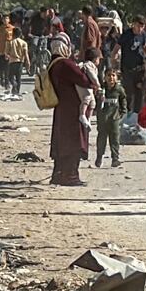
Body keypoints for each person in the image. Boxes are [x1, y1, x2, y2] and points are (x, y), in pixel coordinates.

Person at [49, 36, 94, 186]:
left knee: (61, 142)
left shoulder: (53, 64)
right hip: (73, 109)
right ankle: (70, 176)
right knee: (73, 143)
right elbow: (84, 81)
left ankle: (58, 174)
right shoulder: (66, 64)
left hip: (60, 108)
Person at [112, 15, 146, 114]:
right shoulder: (126, 34)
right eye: (138, 25)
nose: (140, 28)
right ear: (134, 24)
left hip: (140, 66)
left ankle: (137, 112)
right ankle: (127, 110)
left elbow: (144, 45)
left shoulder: (143, 34)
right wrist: (113, 58)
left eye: (142, 26)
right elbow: (117, 47)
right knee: (129, 91)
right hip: (127, 67)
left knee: (140, 90)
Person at [96, 68, 128, 168]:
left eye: (113, 75)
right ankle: (99, 157)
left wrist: (122, 113)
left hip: (114, 119)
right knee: (101, 139)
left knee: (114, 139)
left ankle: (115, 158)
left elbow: (123, 101)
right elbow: (96, 103)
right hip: (103, 119)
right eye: (109, 75)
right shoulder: (102, 89)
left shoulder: (119, 89)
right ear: (105, 77)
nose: (111, 78)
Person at [77, 48, 102, 131]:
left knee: (92, 103)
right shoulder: (88, 65)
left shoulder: (94, 67)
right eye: (99, 59)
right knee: (86, 98)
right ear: (95, 59)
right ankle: (82, 114)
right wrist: (98, 85)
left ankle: (88, 119)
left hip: (89, 86)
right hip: (83, 86)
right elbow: (93, 76)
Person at [5, 27, 30, 95]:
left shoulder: (10, 42)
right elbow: (26, 54)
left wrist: (7, 57)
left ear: (13, 34)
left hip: (12, 61)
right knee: (18, 77)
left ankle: (14, 84)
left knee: (10, 76)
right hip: (20, 62)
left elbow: (6, 53)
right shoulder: (24, 43)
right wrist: (28, 62)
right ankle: (17, 92)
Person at [0, 13, 14, 92]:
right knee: (1, 67)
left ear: (9, 20)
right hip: (0, 50)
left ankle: (7, 82)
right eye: (4, 19)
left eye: (7, 19)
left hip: (9, 51)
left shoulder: (12, 28)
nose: (5, 20)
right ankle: (2, 78)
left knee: (7, 67)